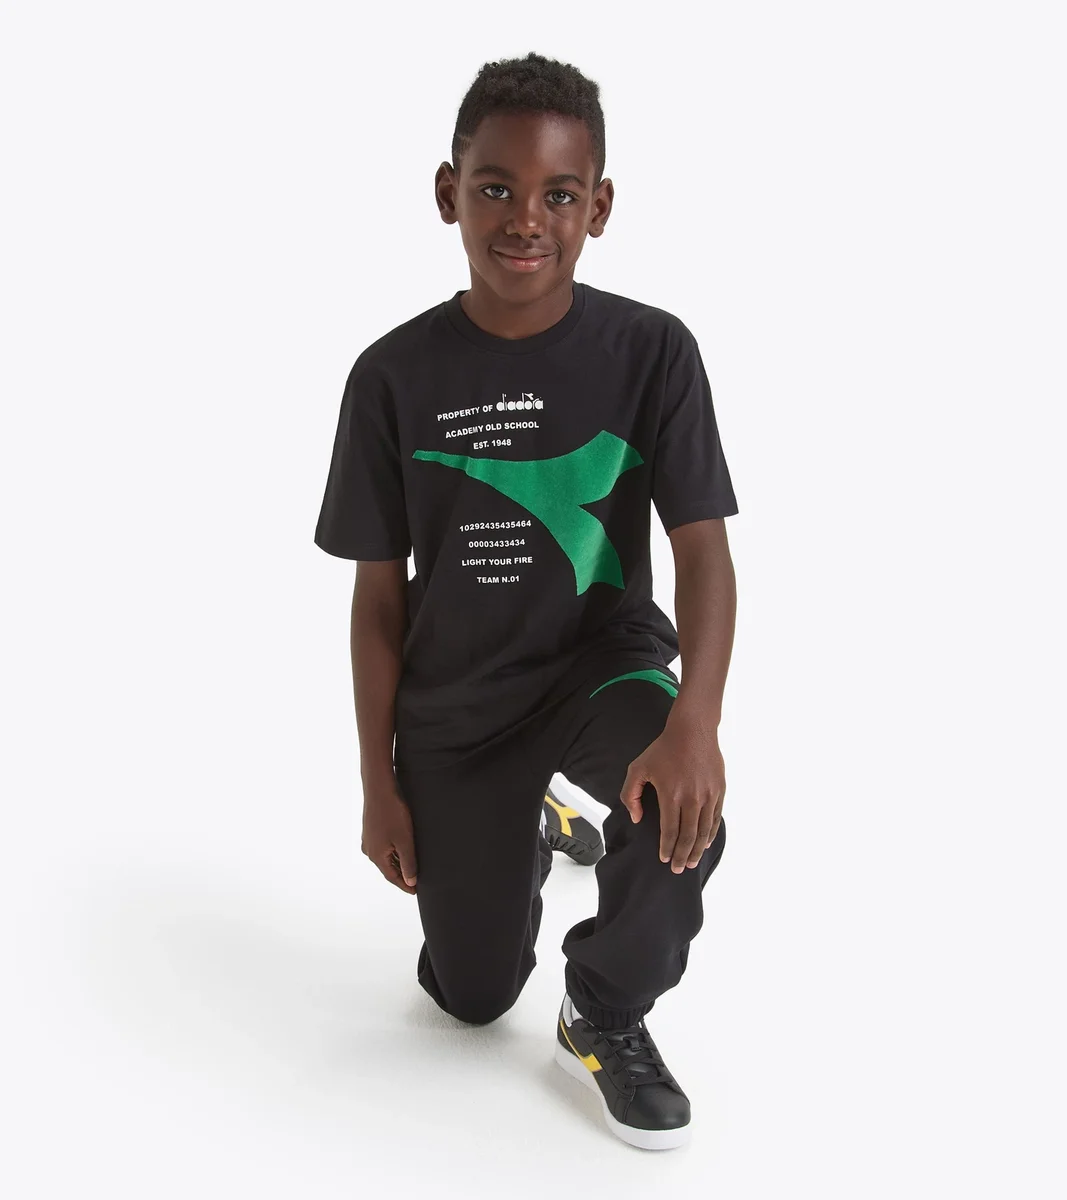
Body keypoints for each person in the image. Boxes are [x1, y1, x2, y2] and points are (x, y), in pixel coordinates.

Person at [313, 51, 739, 1151]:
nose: (524, 220)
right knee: (467, 998)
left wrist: (693, 723)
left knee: (678, 814)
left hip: (599, 669)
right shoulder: (390, 376)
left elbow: (701, 550)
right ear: (446, 192)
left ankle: (603, 1010)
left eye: (558, 194)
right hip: (455, 709)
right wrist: (376, 782)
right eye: (495, 187)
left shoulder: (651, 351)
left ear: (598, 208)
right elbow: (376, 602)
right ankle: (536, 820)